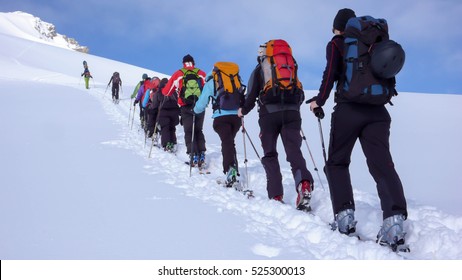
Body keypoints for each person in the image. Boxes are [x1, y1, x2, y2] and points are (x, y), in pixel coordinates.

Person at [308, 8, 408, 249]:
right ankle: (394, 224)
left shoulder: (337, 44)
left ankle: (344, 219)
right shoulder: (374, 41)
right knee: (382, 164)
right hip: (378, 112)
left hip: (348, 111)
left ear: (338, 26)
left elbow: (330, 74)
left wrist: (318, 101)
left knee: (337, 162)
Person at [238, 41, 314, 211]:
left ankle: (276, 195)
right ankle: (304, 185)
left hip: (268, 115)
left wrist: (242, 111)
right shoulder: (290, 65)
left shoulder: (261, 69)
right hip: (292, 114)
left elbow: (250, 96)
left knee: (270, 154)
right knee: (294, 151)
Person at [194, 65, 244, 186]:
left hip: (221, 117)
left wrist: (195, 110)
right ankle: (233, 169)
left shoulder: (212, 81)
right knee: (230, 141)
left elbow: (202, 102)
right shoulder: (236, 79)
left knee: (226, 142)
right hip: (236, 118)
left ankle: (229, 170)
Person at [162, 54, 207, 166]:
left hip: (186, 106)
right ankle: (201, 153)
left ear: (183, 63)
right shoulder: (201, 73)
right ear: (193, 62)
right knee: (198, 130)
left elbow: (166, 92)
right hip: (200, 105)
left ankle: (193, 155)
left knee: (189, 131)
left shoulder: (179, 73)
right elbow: (208, 88)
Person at [151, 78, 180, 152]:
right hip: (174, 112)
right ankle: (173, 142)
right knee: (172, 128)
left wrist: (153, 113)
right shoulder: (173, 91)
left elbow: (155, 105)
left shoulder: (159, 92)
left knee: (165, 128)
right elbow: (177, 101)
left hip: (163, 112)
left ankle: (167, 144)